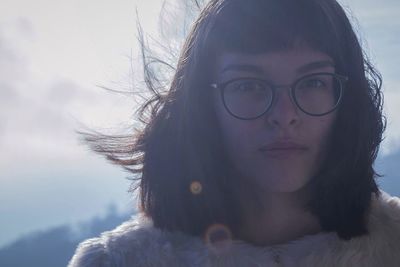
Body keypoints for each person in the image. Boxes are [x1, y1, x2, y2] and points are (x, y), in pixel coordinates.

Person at [68, 0, 400, 266]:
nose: (284, 116)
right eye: (249, 85)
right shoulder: (115, 262)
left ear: (347, 98)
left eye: (313, 82)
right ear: (202, 104)